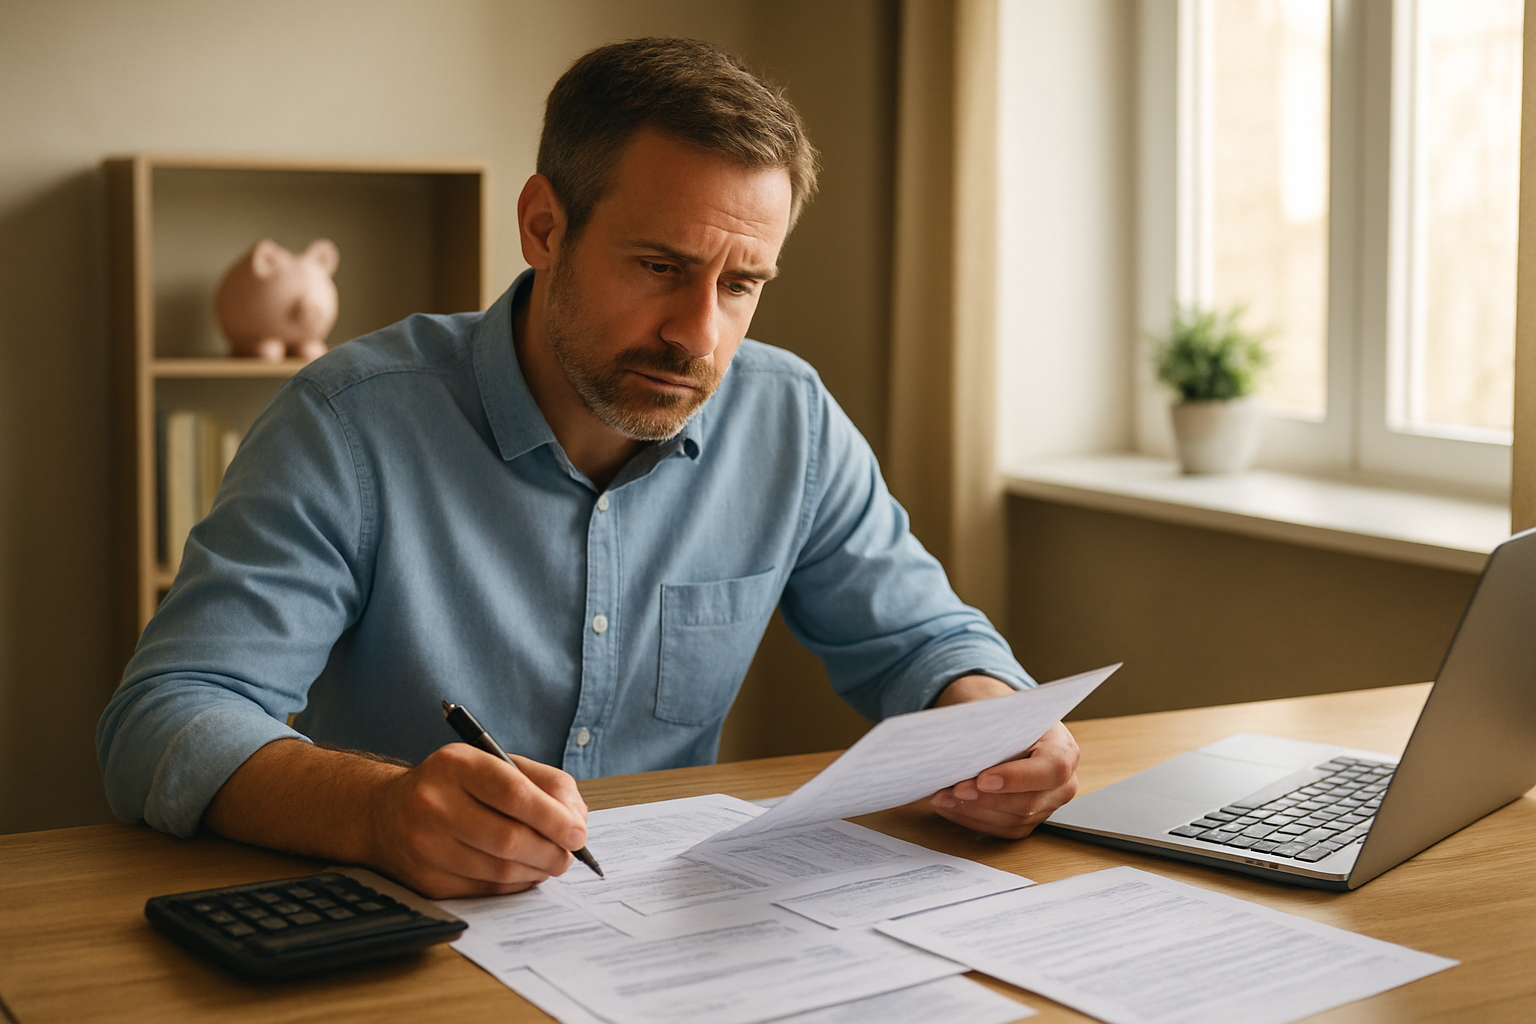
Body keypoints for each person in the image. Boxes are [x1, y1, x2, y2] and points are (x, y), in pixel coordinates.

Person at [97, 37, 1079, 899]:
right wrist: (381, 812)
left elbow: (921, 640)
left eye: (741, 284)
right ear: (543, 225)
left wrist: (994, 724)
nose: (699, 334)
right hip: (397, 941)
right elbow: (165, 717)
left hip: (663, 941)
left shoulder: (791, 419)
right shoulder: (348, 425)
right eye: (660, 266)